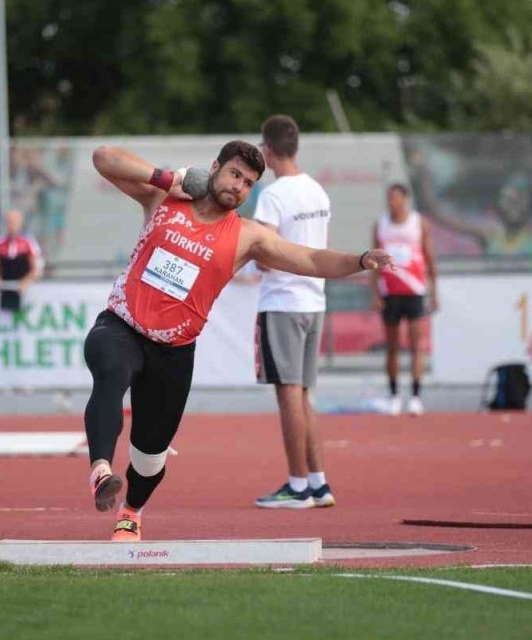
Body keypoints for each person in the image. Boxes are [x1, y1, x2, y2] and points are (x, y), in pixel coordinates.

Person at [84, 141, 392, 541]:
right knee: (110, 371)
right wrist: (168, 177)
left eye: (249, 183)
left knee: (149, 456)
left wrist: (360, 260)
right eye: (234, 174)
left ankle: (131, 511)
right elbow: (103, 159)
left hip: (173, 351)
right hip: (122, 324)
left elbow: (310, 259)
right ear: (214, 168)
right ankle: (101, 470)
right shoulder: (164, 198)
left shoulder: (248, 237)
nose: (239, 187)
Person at [247, 115, 336, 511]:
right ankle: (317, 482)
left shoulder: (274, 194)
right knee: (302, 396)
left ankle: (298, 485)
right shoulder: (317, 191)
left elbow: (266, 255)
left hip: (283, 302)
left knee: (288, 397)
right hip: (314, 300)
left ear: (267, 150)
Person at [410, 151, 532, 263]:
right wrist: (425, 176)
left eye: (519, 200)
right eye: (509, 200)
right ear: (499, 205)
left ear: (527, 204)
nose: (514, 207)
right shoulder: (489, 235)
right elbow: (439, 213)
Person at [372, 183, 437, 417]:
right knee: (392, 347)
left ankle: (416, 396)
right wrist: (375, 293)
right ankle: (393, 395)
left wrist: (434, 290)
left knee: (416, 344)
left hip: (415, 290)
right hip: (390, 291)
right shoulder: (381, 225)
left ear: (405, 199)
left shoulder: (418, 224)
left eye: (396, 197)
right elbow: (373, 261)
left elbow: (429, 257)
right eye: (389, 197)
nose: (391, 201)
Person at [0, 209, 45, 312]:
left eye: (14, 222)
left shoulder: (29, 242)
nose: (11, 225)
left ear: (20, 223)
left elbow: (37, 268)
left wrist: (26, 281)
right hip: (6, 290)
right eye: (9, 222)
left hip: (25, 290)